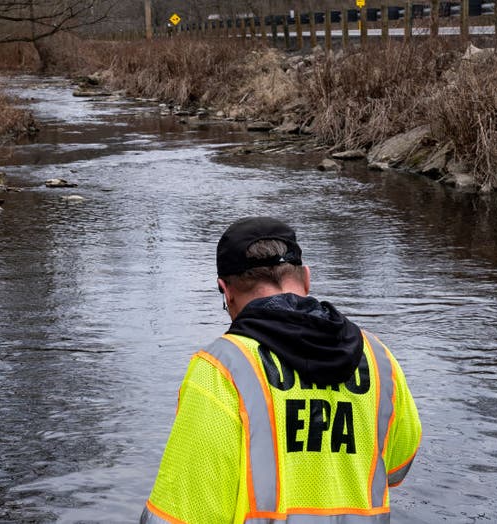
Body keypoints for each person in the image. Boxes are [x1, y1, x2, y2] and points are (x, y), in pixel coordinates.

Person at [141, 217, 421, 523]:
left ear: (225, 291)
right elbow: (397, 466)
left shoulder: (220, 369)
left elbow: (183, 513)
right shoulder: (379, 358)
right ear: (307, 279)